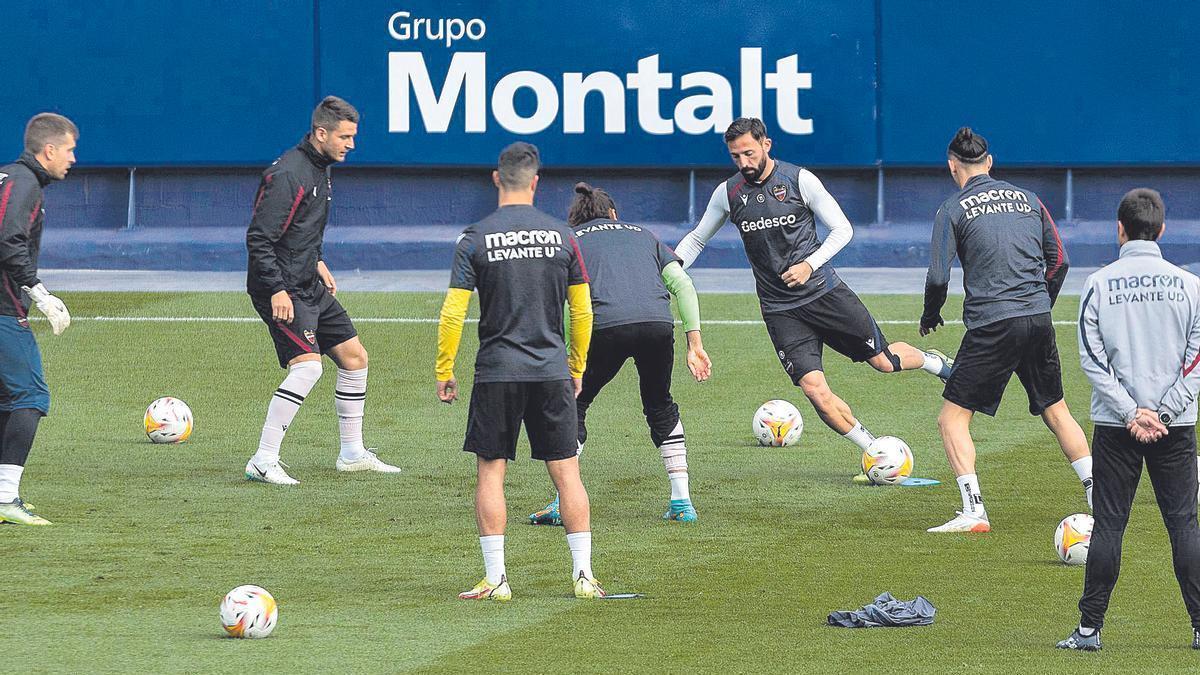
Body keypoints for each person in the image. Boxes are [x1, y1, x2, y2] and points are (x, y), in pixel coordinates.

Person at [675, 117, 953, 479]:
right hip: (779, 310)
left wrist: (809, 264)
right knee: (814, 390)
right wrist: (672, 268)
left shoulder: (799, 180)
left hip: (825, 294)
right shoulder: (728, 194)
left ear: (766, 144)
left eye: (749, 152)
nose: (744, 162)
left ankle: (935, 363)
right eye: (735, 156)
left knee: (884, 362)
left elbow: (843, 229)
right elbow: (697, 239)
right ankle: (874, 453)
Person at [436, 142, 603, 600]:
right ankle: (584, 577)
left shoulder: (474, 237)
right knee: (567, 473)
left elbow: (453, 313)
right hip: (550, 371)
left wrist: (444, 368)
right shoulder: (564, 236)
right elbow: (582, 311)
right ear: (535, 183)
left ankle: (497, 579)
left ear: (496, 179)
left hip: (496, 372)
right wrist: (576, 365)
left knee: (491, 473)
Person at [921, 127, 1091, 533]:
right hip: (1037, 317)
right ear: (990, 163)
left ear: (952, 167)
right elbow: (1060, 261)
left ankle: (973, 511)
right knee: (1057, 410)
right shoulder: (1030, 200)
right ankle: (1099, 493)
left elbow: (939, 276)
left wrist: (931, 314)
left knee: (952, 419)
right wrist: (1038, 304)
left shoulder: (952, 209)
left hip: (992, 323)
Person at [1057, 188, 1200, 651]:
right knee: (1183, 526)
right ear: (1161, 229)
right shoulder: (1191, 285)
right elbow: (1197, 359)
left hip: (1117, 428)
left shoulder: (1098, 283)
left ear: (1119, 229)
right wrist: (1163, 411)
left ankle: (1088, 631)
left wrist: (1130, 411)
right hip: (1175, 426)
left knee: (1110, 525)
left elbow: (1091, 360)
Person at [527, 182, 712, 527]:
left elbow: (564, 303)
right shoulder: (644, 235)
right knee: (659, 403)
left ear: (576, 219)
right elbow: (683, 284)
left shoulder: (571, 241)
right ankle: (682, 501)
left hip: (603, 326)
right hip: (657, 324)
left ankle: (562, 502)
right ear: (613, 214)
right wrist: (695, 343)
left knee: (575, 405)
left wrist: (571, 357)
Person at [244, 96, 400, 485]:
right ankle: (263, 459)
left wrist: (316, 261)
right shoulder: (289, 175)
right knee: (308, 367)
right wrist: (278, 290)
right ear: (321, 133)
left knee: (354, 357)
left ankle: (351, 454)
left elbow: (299, 228)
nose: (351, 144)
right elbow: (259, 239)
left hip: (306, 281)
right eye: (345, 137)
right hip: (280, 289)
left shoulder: (320, 168)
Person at [0, 113, 77, 525]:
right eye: (68, 150)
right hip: (2, 309)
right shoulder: (25, 184)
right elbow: (8, 240)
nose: (73, 158)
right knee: (30, 398)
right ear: (48, 150)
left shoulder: (6, 177)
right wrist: (37, 290)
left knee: (6, 402)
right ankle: (6, 498)